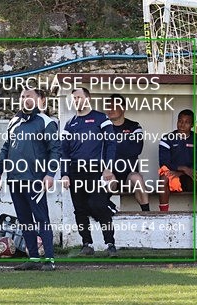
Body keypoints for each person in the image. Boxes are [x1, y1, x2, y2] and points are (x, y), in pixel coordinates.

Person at [0, 88, 59, 271]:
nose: (25, 99)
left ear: (39, 100)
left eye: (29, 96)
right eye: (22, 96)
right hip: (14, 179)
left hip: (36, 180)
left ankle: (49, 259)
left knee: (41, 218)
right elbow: (5, 148)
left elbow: (55, 151)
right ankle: (33, 258)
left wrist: (50, 174)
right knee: (24, 220)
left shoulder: (47, 122)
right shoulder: (14, 121)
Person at [61, 87, 118, 257]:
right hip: (75, 172)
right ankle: (87, 244)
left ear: (88, 98)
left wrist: (108, 167)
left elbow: (111, 144)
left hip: (95, 170)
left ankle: (110, 244)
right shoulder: (70, 124)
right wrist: (64, 174)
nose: (76, 101)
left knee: (98, 205)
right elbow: (64, 152)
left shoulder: (101, 118)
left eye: (79, 97)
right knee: (80, 210)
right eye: (74, 98)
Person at [105, 94, 150, 211]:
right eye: (108, 106)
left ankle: (147, 214)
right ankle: (106, 208)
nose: (111, 109)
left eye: (114, 106)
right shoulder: (103, 128)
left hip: (128, 175)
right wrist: (125, 142)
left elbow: (136, 149)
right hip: (110, 173)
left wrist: (112, 145)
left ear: (123, 108)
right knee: (105, 180)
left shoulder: (134, 126)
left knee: (137, 179)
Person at [158, 109, 197, 211]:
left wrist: (183, 172)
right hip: (174, 178)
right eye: (180, 121)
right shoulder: (167, 138)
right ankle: (163, 213)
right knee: (163, 178)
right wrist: (184, 169)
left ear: (192, 125)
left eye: (187, 122)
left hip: (190, 178)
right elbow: (164, 163)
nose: (182, 125)